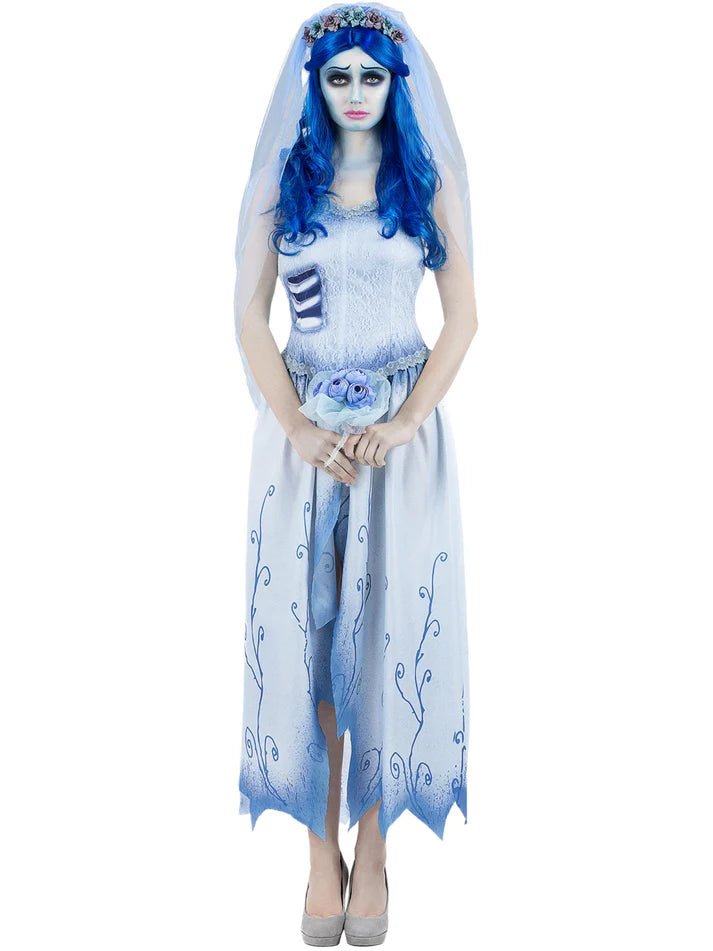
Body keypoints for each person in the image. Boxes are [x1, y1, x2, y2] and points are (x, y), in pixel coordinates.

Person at [233, 4, 477, 944]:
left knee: (385, 636)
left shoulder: (424, 183)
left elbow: (462, 315)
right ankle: (316, 852)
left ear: (394, 82)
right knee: (308, 633)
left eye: (372, 75)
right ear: (316, 84)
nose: (356, 93)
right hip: (302, 442)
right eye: (338, 76)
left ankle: (372, 849)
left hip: (398, 444)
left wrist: (407, 419)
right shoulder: (282, 183)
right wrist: (294, 424)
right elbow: (250, 317)